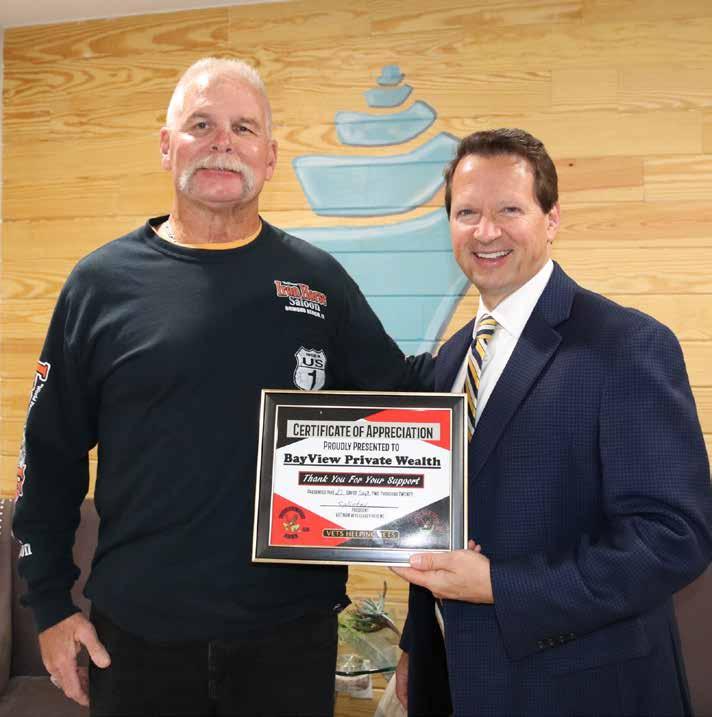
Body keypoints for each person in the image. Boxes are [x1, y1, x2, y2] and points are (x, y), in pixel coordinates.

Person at [12, 57, 432, 717]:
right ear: (165, 145)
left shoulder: (320, 282)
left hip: (289, 640)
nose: (222, 143)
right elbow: (49, 456)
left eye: (243, 128)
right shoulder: (98, 285)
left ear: (270, 156)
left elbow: (402, 398)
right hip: (139, 643)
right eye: (201, 125)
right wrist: (49, 606)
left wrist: (495, 345)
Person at [392, 128, 712, 717]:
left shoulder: (627, 345)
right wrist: (419, 643)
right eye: (467, 213)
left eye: (509, 210)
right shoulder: (451, 360)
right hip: (459, 683)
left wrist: (501, 585)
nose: (486, 232)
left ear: (552, 219)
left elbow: (674, 537)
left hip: (582, 690)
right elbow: (444, 519)